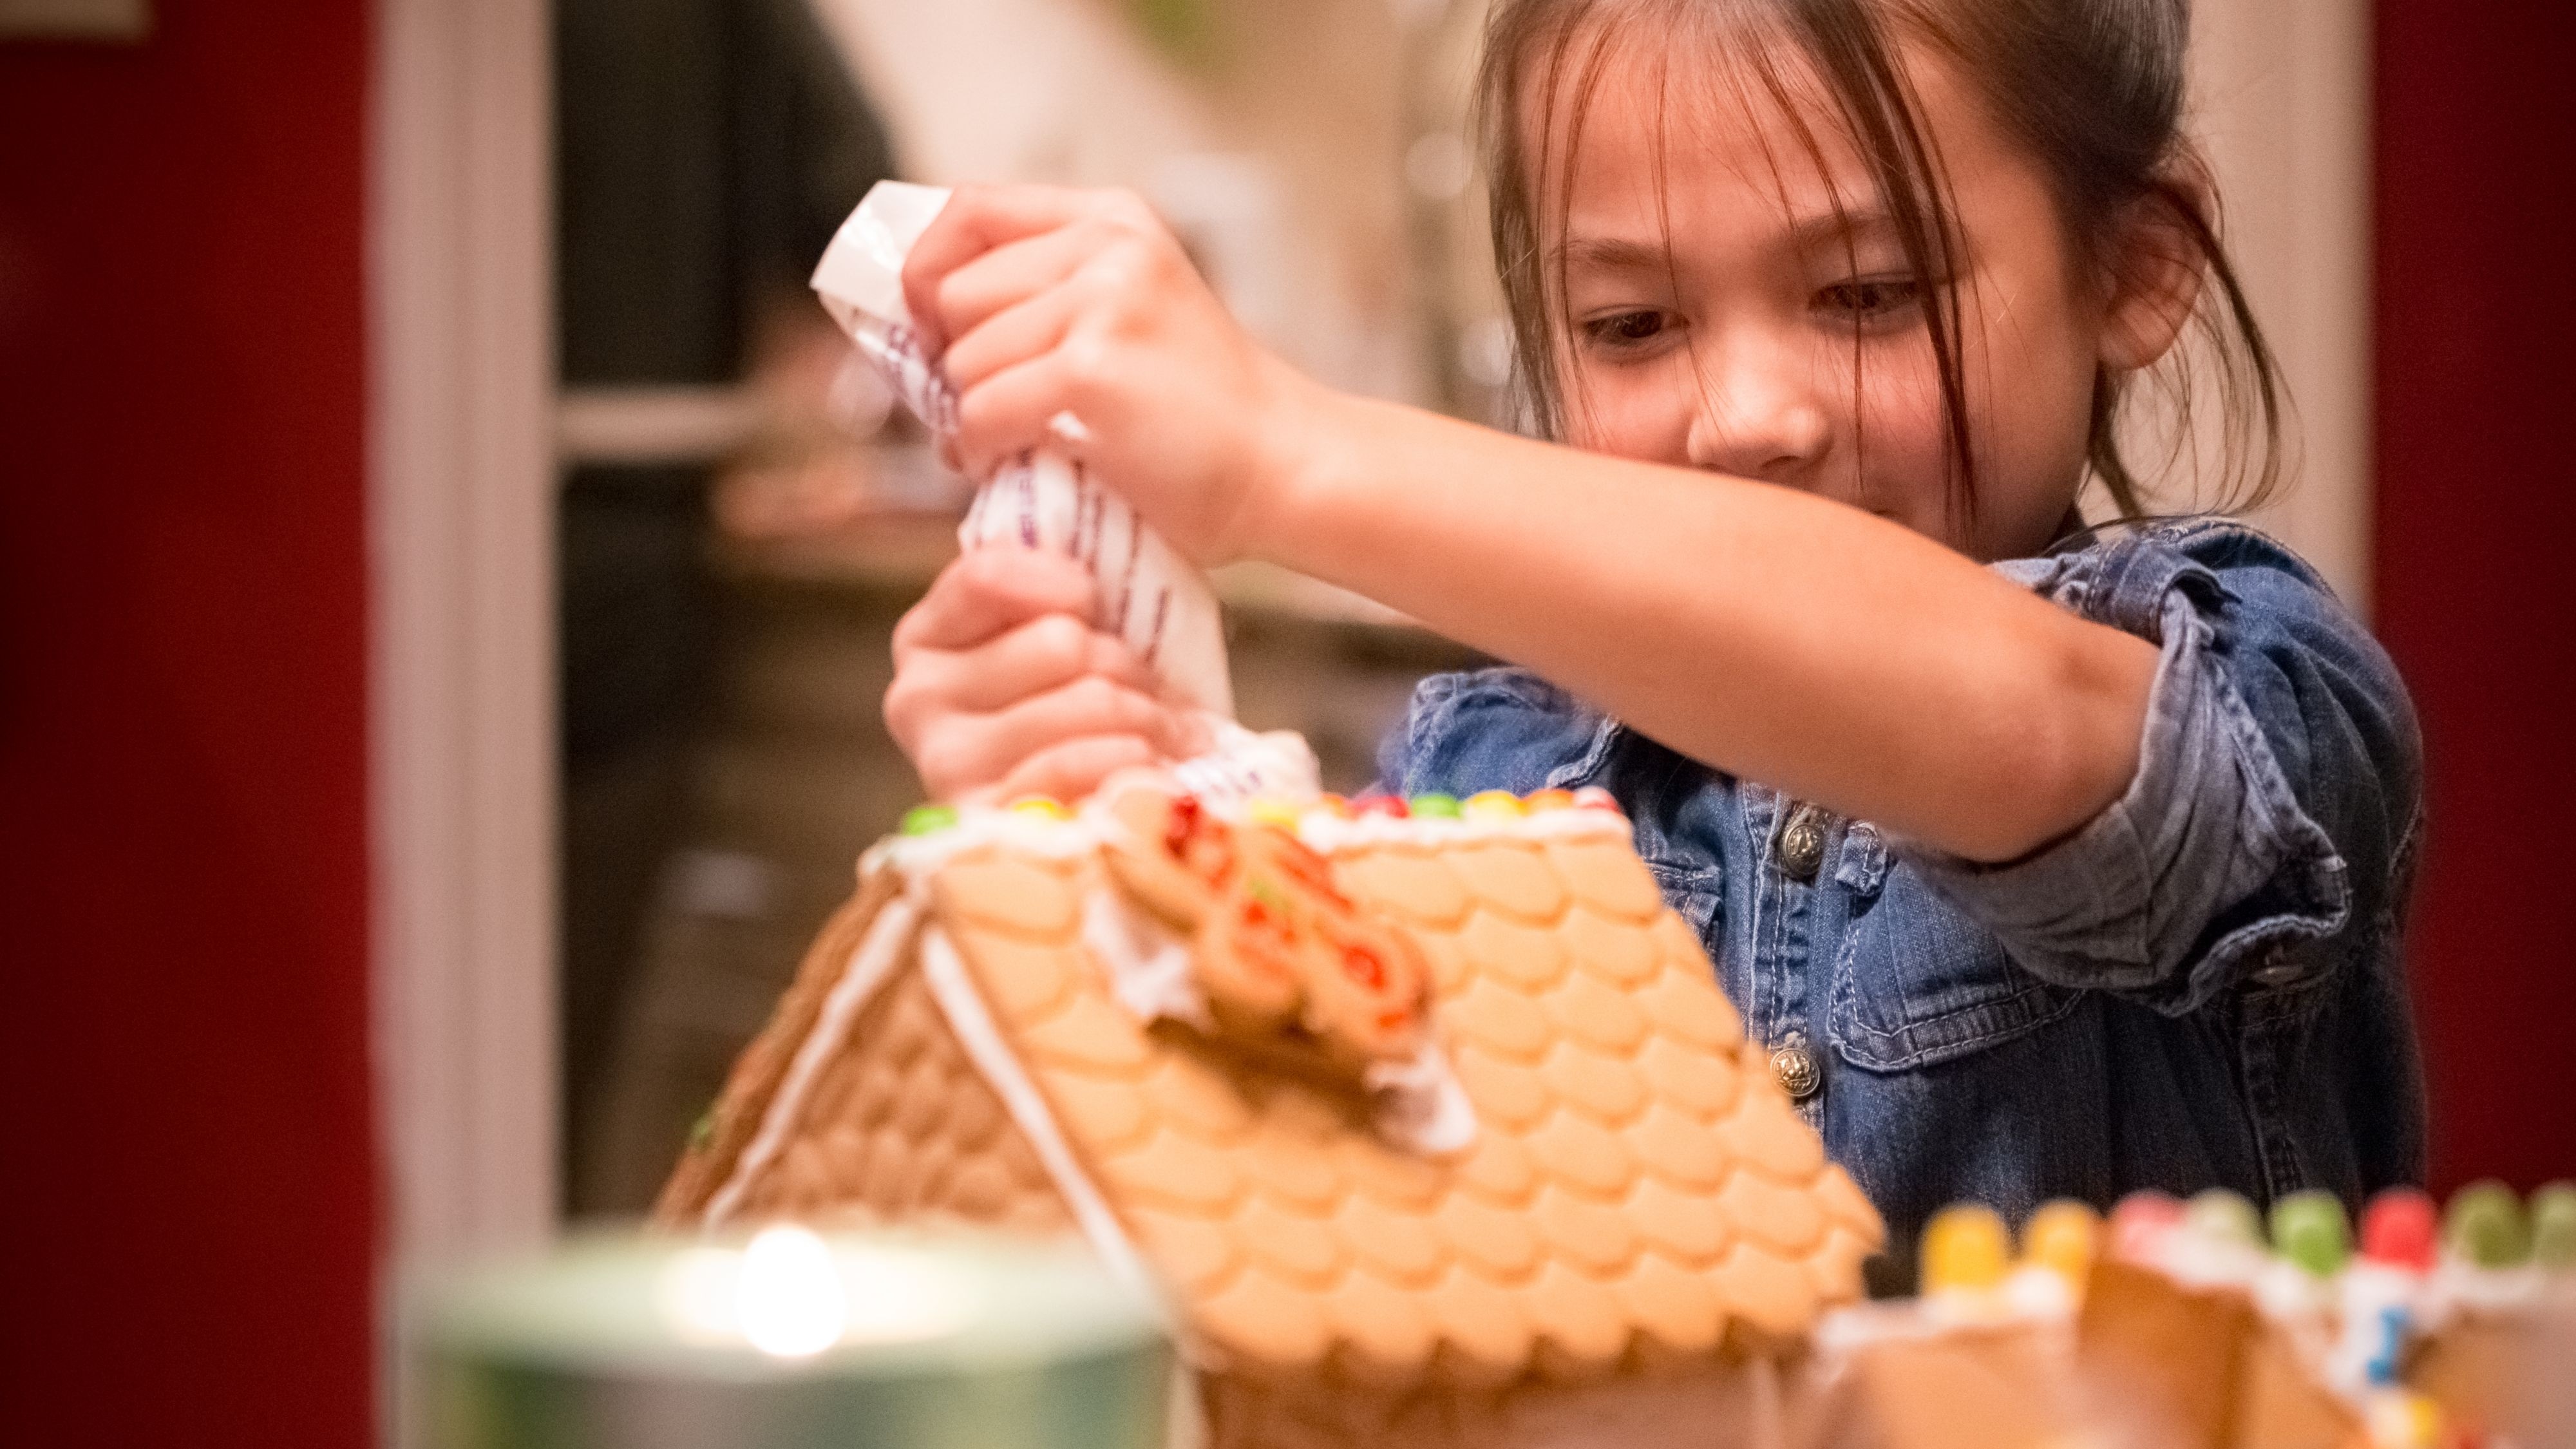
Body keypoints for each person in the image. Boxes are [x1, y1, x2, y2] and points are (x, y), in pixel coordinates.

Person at [875, 0, 2423, 1283]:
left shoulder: (2250, 684)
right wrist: (1112, 820)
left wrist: (1285, 452)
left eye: (1866, 293)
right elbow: (1294, 1221)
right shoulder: (1486, 773)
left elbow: (2023, 726)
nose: (1745, 417)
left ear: (2133, 267)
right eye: (1629, 324)